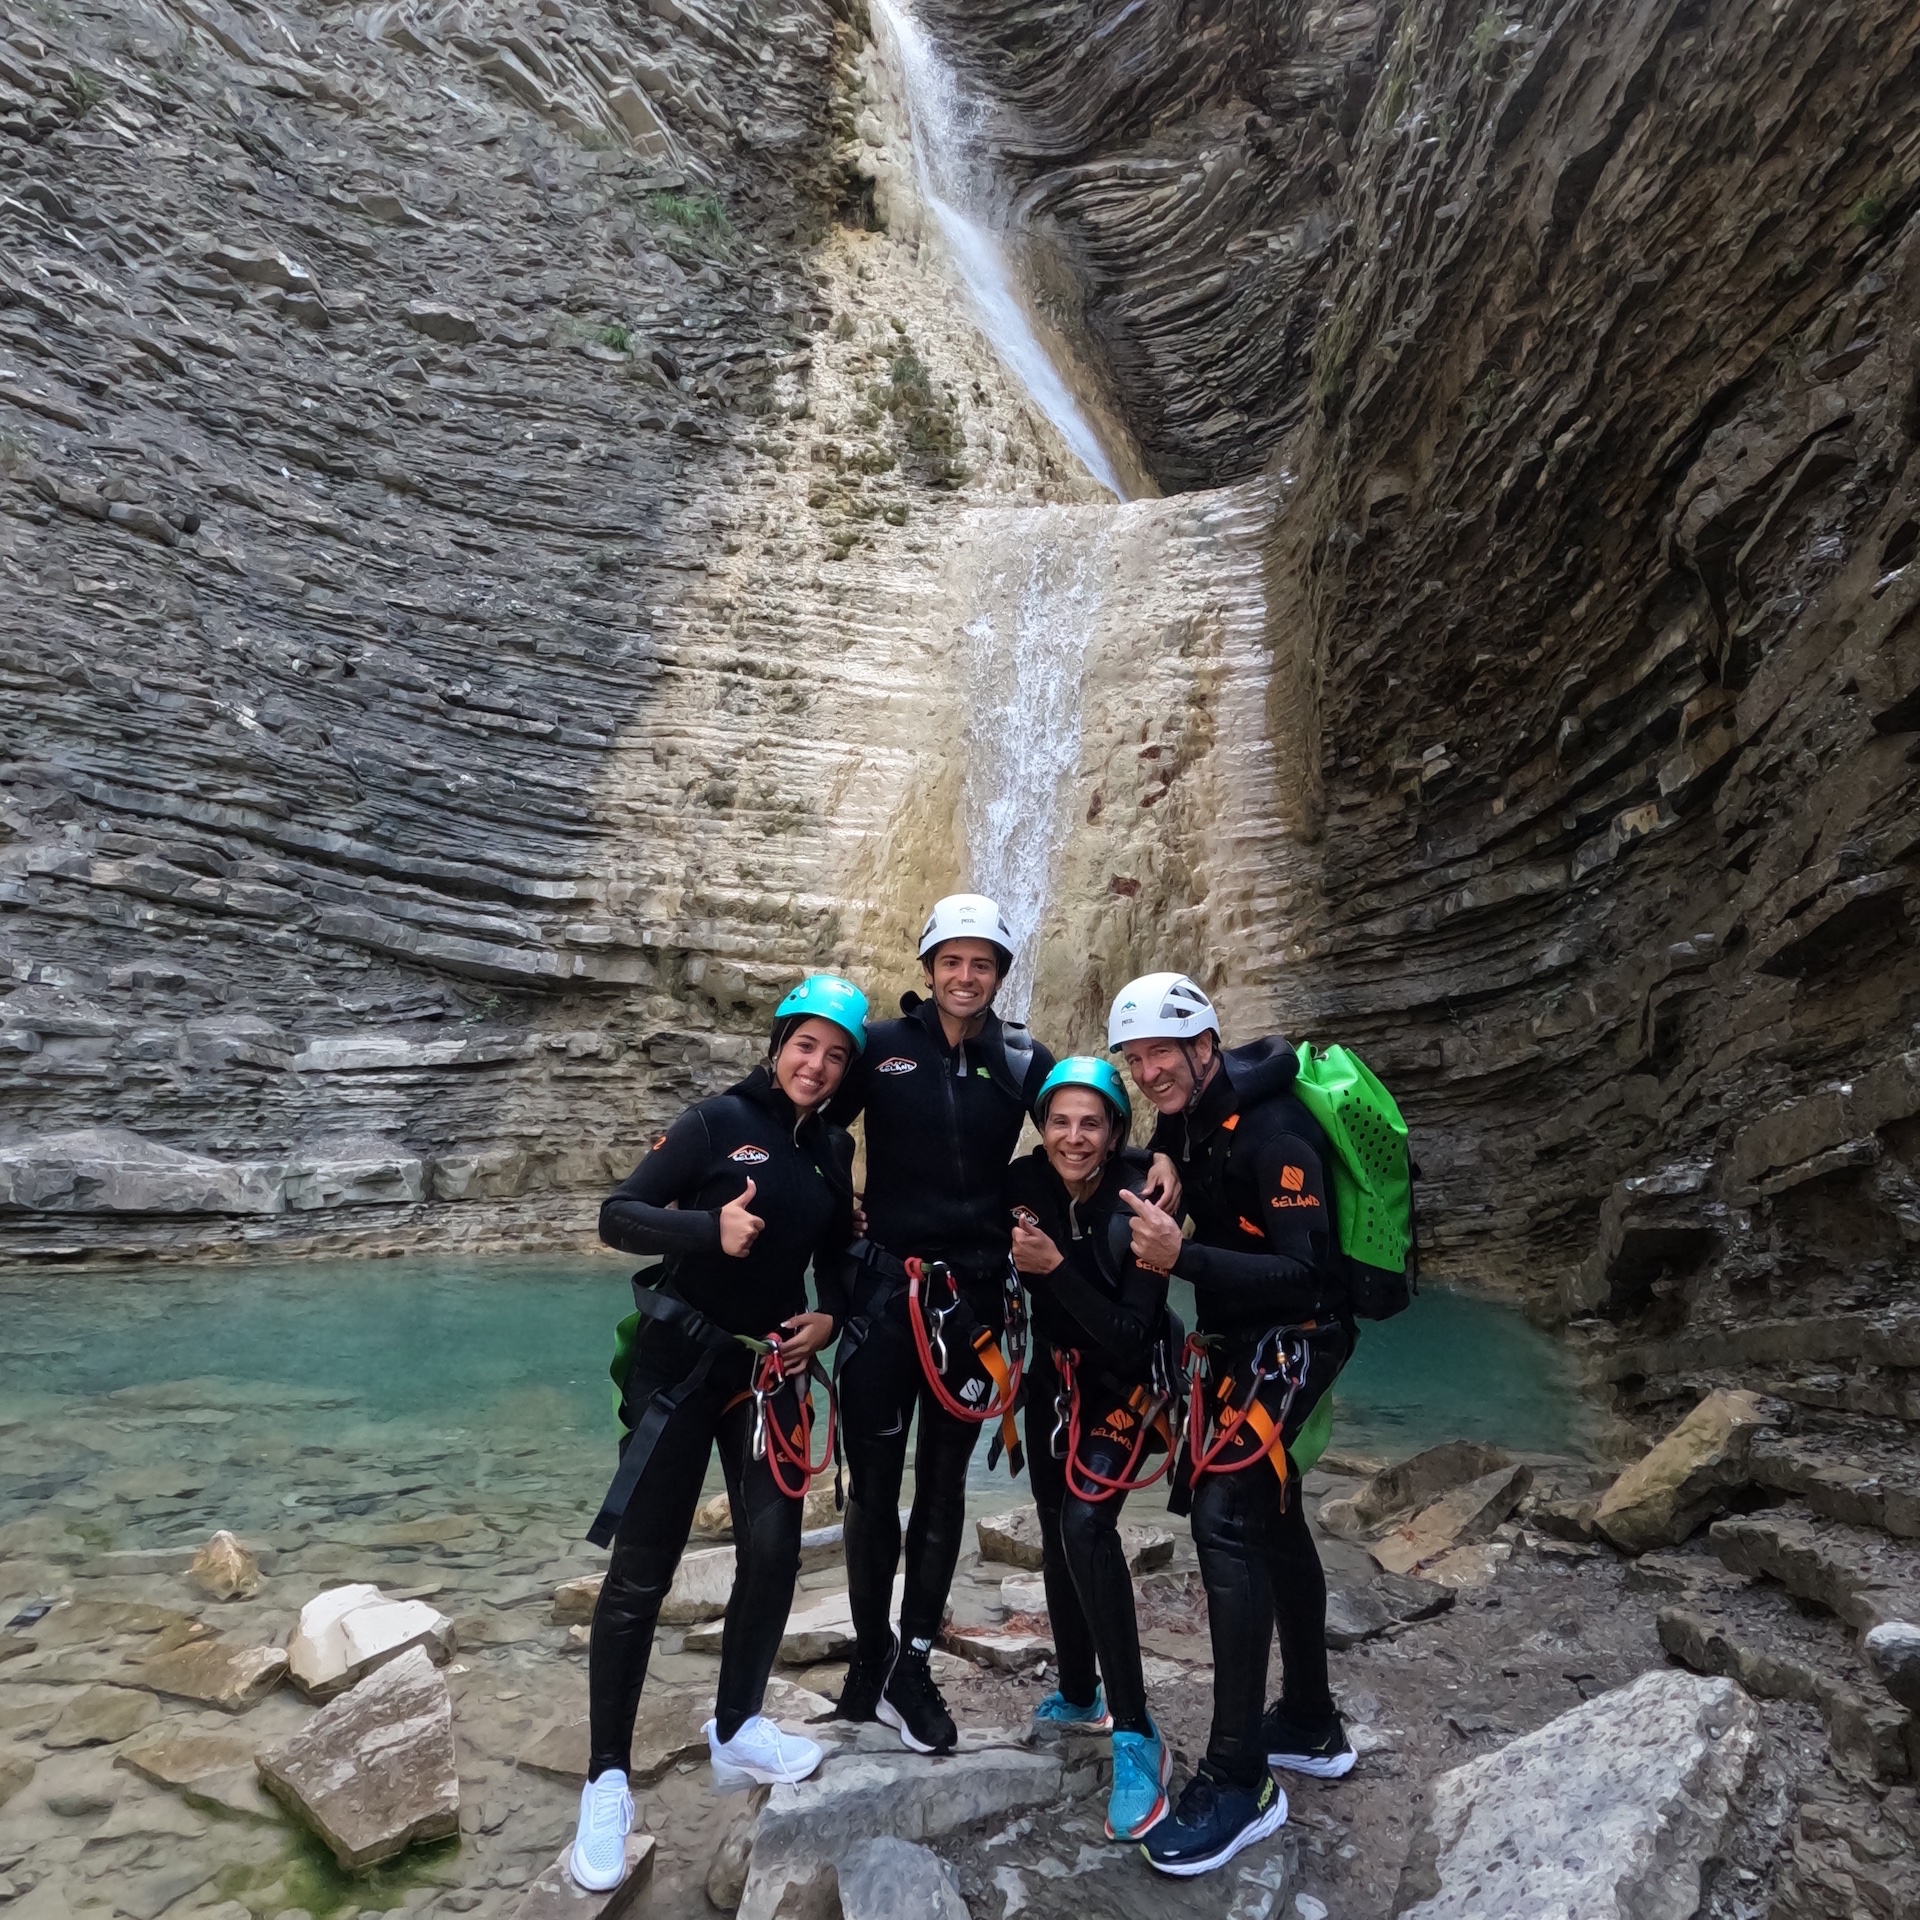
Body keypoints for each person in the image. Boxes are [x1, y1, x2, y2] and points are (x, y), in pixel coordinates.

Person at [569, 975, 868, 1893]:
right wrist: (708, 1226)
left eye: (835, 1054)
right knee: (642, 1574)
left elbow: (837, 1263)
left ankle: (737, 1729)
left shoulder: (833, 1151)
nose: (816, 1066)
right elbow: (618, 1215)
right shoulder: (712, 1121)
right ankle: (607, 1781)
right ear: (779, 1042)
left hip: (766, 1376)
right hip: (682, 1366)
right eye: (805, 1044)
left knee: (773, 1551)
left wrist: (833, 1320)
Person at [1110, 971, 1356, 1879]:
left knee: (1228, 1521)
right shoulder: (1198, 1110)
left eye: (1160, 1054)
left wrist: (1185, 1257)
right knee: (1276, 1520)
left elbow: (1310, 1277)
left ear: (1205, 1045)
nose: (1147, 1072)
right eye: (1133, 1059)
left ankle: (1241, 1776)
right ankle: (1310, 1722)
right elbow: (1181, 1123)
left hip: (1297, 1337)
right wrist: (1164, 1150)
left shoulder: (1278, 1132)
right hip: (1239, 1342)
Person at [816, 893, 1058, 1754]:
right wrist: (831, 1199)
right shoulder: (879, 1049)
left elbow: (1085, 1136)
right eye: (951, 961)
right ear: (928, 970)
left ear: (999, 975)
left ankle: (912, 1663)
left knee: (945, 1489)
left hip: (978, 1306)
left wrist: (1159, 1163)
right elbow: (812, 1127)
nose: (965, 976)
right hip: (886, 1299)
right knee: (874, 1491)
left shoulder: (1022, 1058)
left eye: (981, 963)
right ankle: (868, 1659)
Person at [1008, 1056, 1179, 1841]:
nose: (1074, 1138)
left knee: (1085, 1527)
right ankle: (1080, 1690)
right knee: (1053, 1527)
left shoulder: (1142, 1199)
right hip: (1053, 1385)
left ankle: (1137, 1733)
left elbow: (1131, 1332)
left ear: (1114, 1134)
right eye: (1061, 1122)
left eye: (1092, 1123)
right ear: (1043, 1128)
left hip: (1128, 1387)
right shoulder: (1022, 1185)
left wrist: (1057, 1268)